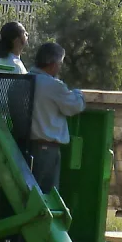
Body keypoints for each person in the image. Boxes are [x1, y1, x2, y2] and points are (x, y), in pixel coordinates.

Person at [29, 41, 85, 192]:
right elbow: (74, 106)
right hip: (46, 149)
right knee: (47, 195)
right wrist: (78, 93)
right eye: (60, 63)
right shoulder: (53, 85)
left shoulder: (23, 80)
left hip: (23, 146)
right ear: (53, 63)